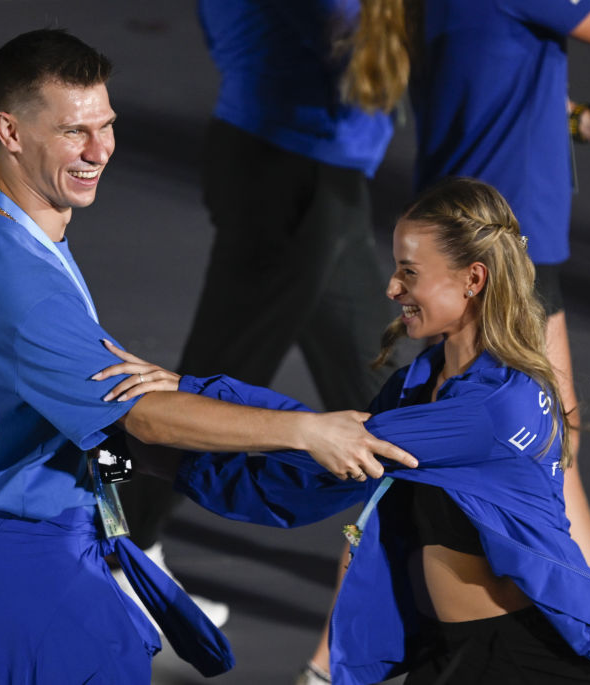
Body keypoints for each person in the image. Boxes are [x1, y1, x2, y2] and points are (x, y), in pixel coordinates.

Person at [0, 28, 418, 684]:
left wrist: (113, 460)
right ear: (10, 131)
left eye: (106, 125)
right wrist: (306, 430)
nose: (99, 151)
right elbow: (142, 416)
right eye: (73, 132)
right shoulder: (29, 292)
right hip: (29, 580)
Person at [295, 1, 590, 682]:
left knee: (529, 441)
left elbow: (484, 84)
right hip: (506, 237)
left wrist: (580, 120)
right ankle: (332, 663)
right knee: (482, 444)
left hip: (481, 221)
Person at [126, 177, 590, 684]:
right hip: (457, 653)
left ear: (473, 279)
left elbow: (321, 444)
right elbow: (309, 478)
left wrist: (192, 396)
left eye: (409, 272)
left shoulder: (493, 409)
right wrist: (141, 456)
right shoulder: (419, 384)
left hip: (543, 660)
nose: (391, 287)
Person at [112, 0, 405, 627]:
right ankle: (118, 556)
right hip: (290, 174)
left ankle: (461, 575)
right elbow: (366, 45)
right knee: (207, 388)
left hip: (312, 172)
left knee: (389, 400)